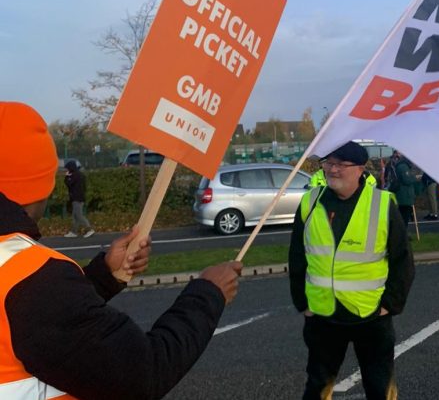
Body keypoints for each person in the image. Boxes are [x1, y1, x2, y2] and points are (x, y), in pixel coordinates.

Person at [0, 101, 243, 400]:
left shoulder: (24, 282)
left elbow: (34, 325)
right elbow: (143, 373)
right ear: (40, 186)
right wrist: (209, 293)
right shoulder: (32, 279)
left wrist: (104, 275)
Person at [288, 141, 415, 400]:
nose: (332, 170)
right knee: (317, 386)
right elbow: (297, 256)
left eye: (339, 165)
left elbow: (403, 260)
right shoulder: (310, 203)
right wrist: (302, 303)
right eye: (328, 164)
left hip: (370, 316)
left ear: (359, 169)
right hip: (323, 316)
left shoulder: (382, 204)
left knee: (379, 387)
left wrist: (390, 304)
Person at [63, 159, 95, 238]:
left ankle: (89, 229)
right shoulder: (81, 175)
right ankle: (74, 231)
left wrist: (67, 176)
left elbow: (68, 183)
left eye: (68, 168)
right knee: (75, 215)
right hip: (80, 197)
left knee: (78, 215)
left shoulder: (74, 176)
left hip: (76, 198)